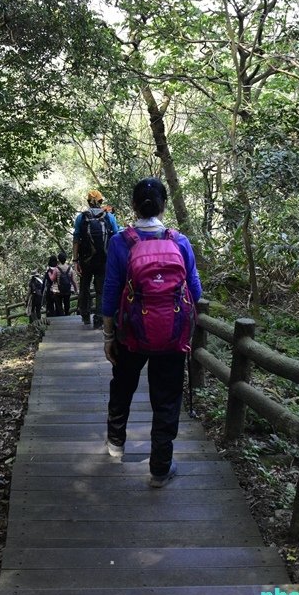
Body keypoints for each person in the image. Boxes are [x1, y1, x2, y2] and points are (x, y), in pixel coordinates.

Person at [101, 178, 202, 488]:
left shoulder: (121, 242)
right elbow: (195, 292)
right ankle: (160, 468)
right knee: (167, 399)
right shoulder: (180, 242)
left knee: (123, 387)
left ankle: (116, 445)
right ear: (164, 205)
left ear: (133, 206)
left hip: (131, 333)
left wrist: (108, 336)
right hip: (171, 335)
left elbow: (110, 291)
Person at [73, 189, 119, 329]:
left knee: (85, 287)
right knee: (101, 289)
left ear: (88, 202)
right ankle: (99, 318)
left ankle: (85, 315)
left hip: (85, 260)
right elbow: (116, 238)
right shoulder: (109, 217)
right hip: (103, 260)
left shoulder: (81, 218)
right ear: (100, 201)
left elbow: (76, 240)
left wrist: (75, 261)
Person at [55, 252, 78, 316]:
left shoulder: (56, 269)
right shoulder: (70, 269)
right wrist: (76, 289)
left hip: (58, 290)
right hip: (68, 289)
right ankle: (67, 315)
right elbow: (73, 280)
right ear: (65, 259)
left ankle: (61, 316)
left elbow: (54, 280)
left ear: (58, 259)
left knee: (59, 304)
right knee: (67, 303)